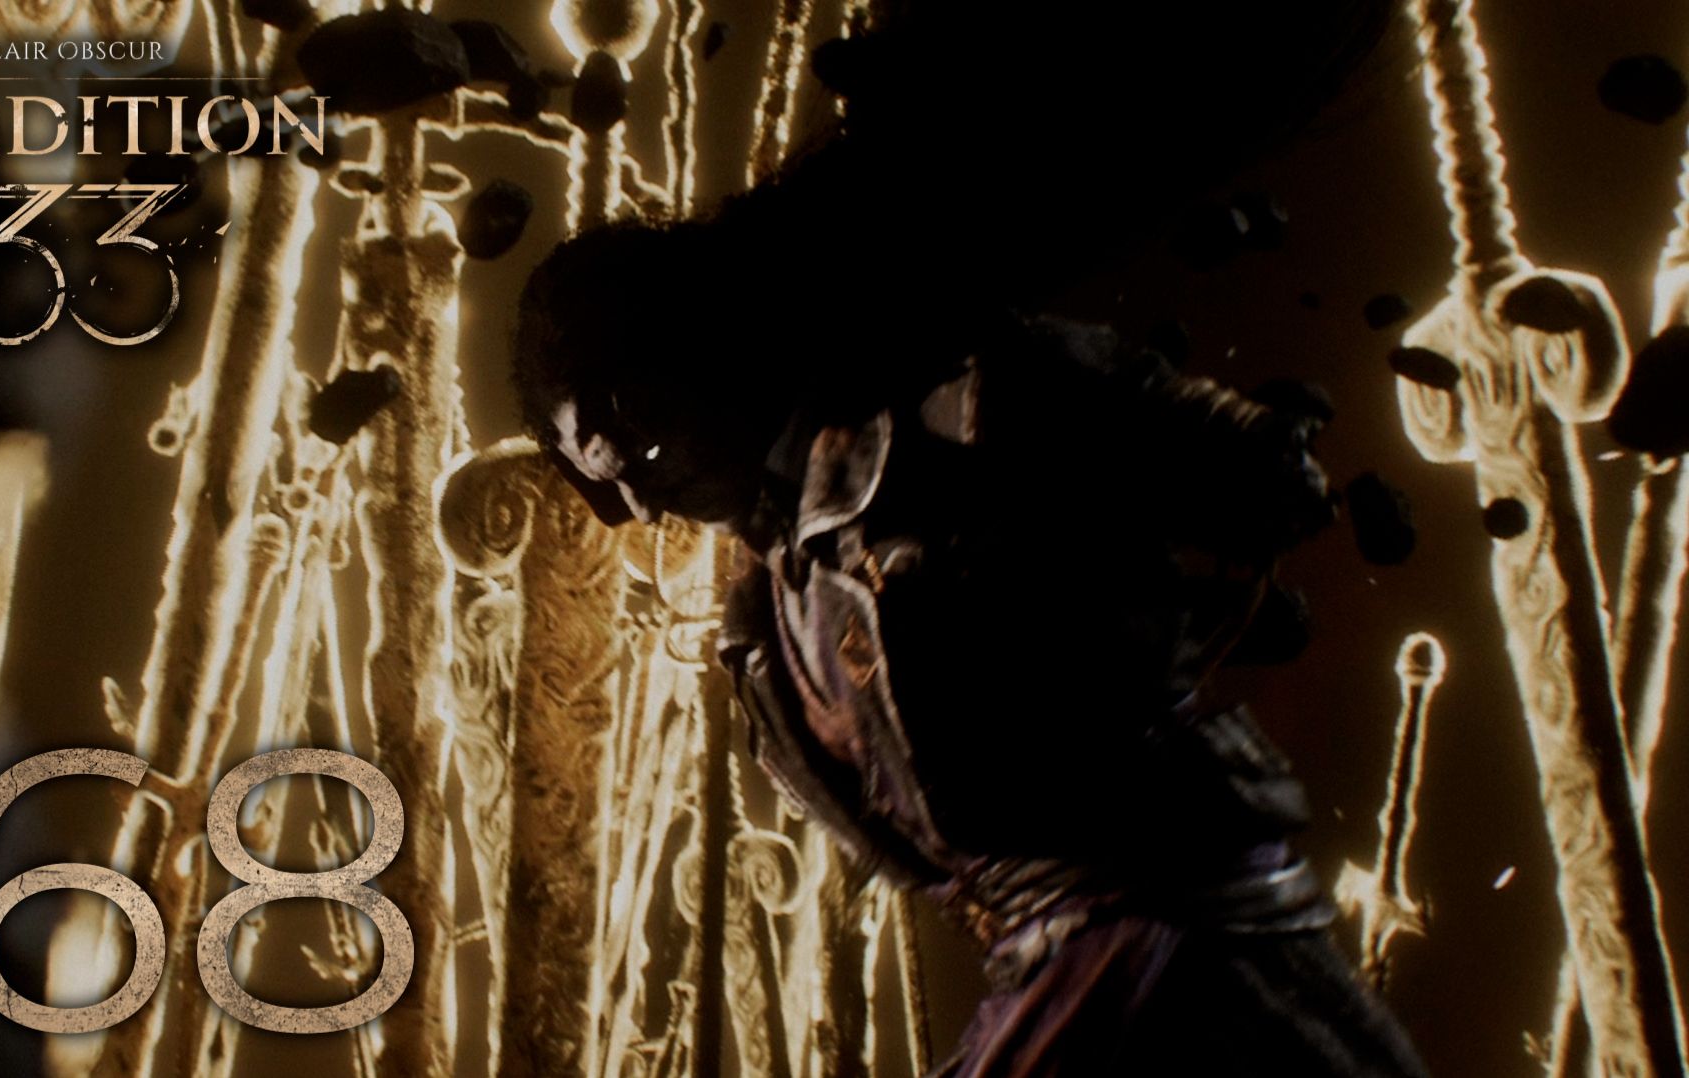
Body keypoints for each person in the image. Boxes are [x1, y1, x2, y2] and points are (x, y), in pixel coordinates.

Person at [513, 3, 1430, 1073]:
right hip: (1055, 964)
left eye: (623, 423)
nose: (627, 485)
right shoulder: (766, 627)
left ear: (694, 354)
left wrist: (1128, 565)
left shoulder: (960, 414)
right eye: (595, 464)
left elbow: (1244, 476)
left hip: (1175, 937)